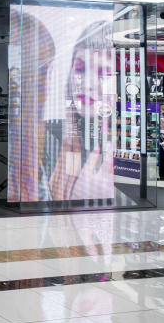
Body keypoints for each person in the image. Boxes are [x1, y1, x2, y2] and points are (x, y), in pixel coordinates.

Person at [47, 20, 115, 201]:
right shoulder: (50, 139)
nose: (87, 84)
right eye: (80, 69)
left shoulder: (124, 145)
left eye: (104, 74)